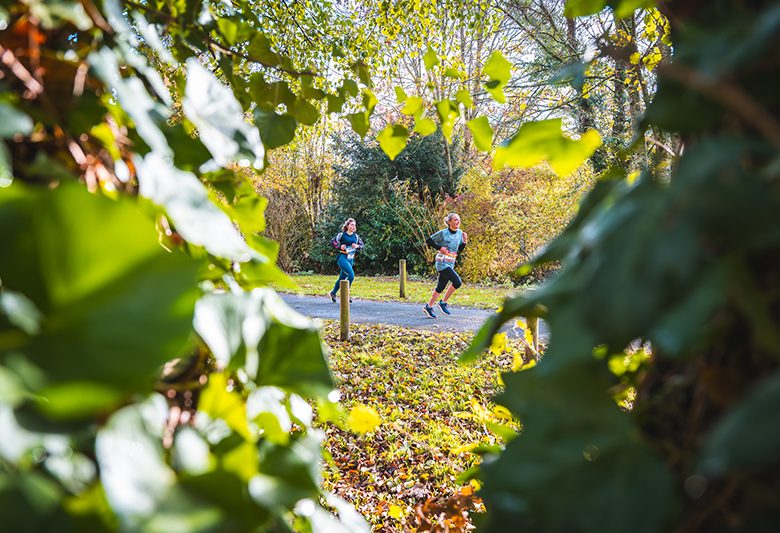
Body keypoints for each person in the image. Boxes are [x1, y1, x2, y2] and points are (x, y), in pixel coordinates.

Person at [423, 213, 467, 318]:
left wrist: (464, 241)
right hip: (442, 262)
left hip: (451, 262)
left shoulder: (460, 233)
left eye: (458, 220)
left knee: (440, 287)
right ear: (449, 222)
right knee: (457, 282)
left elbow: (459, 250)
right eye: (455, 220)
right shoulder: (443, 233)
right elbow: (429, 240)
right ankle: (442, 303)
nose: (458, 222)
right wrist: (439, 248)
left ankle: (428, 306)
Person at [329, 218, 364, 303]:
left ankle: (333, 293)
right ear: (347, 226)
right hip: (342, 257)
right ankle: (346, 294)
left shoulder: (356, 237)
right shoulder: (342, 235)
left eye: (354, 225)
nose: (353, 227)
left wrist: (357, 246)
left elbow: (362, 246)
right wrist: (340, 246)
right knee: (351, 275)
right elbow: (332, 242)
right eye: (352, 225)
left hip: (350, 258)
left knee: (342, 277)